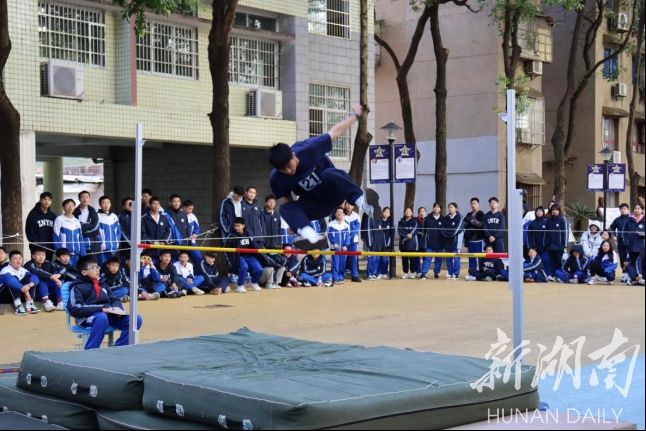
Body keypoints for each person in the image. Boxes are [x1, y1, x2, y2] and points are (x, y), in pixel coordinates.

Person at [268, 104, 369, 246]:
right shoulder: (276, 178)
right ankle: (310, 235)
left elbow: (335, 132)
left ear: (293, 155)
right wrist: (295, 221)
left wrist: (355, 116)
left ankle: (360, 200)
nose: (289, 172)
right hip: (315, 205)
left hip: (333, 192)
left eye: (289, 166)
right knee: (284, 208)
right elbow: (286, 198)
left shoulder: (309, 148)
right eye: (284, 170)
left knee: (328, 173)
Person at [67, 256, 142, 350]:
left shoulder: (103, 285)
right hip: (87, 318)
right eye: (93, 268)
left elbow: (114, 300)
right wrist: (101, 308)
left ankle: (119, 349)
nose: (97, 270)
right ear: (84, 272)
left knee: (136, 319)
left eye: (97, 267)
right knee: (101, 317)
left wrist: (117, 309)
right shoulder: (77, 287)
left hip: (109, 315)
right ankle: (91, 351)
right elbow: (75, 308)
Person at [224, 217, 264, 293]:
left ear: (243, 226)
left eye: (238, 226)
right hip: (239, 257)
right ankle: (240, 286)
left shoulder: (248, 233)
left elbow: (254, 244)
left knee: (259, 269)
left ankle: (254, 282)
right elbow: (227, 249)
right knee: (244, 267)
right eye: (235, 226)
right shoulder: (231, 236)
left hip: (250, 256)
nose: (236, 228)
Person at [0, 250, 41, 315]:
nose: (18, 260)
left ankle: (30, 304)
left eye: (20, 258)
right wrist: (23, 288)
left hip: (20, 293)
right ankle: (18, 306)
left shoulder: (23, 270)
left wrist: (29, 285)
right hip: (4, 295)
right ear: (10, 261)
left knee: (30, 280)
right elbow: (10, 281)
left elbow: (35, 277)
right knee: (14, 279)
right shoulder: (5, 270)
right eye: (15, 259)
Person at [25, 192, 57, 260]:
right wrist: (38, 245)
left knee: (47, 267)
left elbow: (55, 231)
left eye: (49, 200)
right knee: (36, 266)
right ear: (40, 200)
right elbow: (30, 231)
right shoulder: (33, 214)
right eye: (44, 199)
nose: (46, 202)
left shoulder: (52, 215)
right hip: (37, 248)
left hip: (49, 248)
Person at [53, 199, 84, 266]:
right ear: (63, 207)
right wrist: (60, 253)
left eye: (72, 205)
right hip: (65, 256)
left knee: (76, 274)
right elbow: (55, 237)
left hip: (76, 254)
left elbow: (80, 238)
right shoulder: (59, 219)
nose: (70, 207)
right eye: (68, 205)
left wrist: (83, 253)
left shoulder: (77, 221)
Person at [73, 191, 102, 255]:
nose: (85, 199)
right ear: (79, 199)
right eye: (82, 197)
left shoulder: (93, 212)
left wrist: (82, 226)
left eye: (87, 197)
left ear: (89, 198)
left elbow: (95, 228)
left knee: (93, 263)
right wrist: (89, 225)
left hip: (93, 243)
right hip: (80, 242)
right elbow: (74, 228)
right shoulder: (74, 212)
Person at [441, 202, 465, 280]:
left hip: (456, 242)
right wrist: (447, 234)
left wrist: (450, 234)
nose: (450, 209)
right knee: (448, 258)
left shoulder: (459, 217)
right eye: (449, 207)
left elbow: (458, 229)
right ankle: (450, 273)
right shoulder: (446, 218)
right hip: (448, 241)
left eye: (451, 207)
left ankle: (456, 274)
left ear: (456, 208)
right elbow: (442, 228)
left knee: (456, 258)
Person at [327, 207, 351, 284]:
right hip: (335, 248)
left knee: (342, 264)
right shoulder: (331, 224)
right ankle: (335, 278)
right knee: (335, 263)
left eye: (341, 212)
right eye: (338, 212)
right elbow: (330, 235)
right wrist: (334, 243)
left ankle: (341, 277)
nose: (339, 213)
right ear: (335, 214)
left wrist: (346, 245)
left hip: (344, 248)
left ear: (343, 214)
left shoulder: (346, 225)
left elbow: (348, 236)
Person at [421, 203, 444, 279]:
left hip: (440, 243)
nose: (436, 208)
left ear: (440, 209)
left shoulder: (443, 219)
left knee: (438, 258)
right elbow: (424, 231)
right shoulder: (428, 218)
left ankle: (436, 272)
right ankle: (424, 273)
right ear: (433, 208)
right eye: (435, 207)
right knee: (427, 258)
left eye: (438, 207)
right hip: (429, 242)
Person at [545, 204, 568, 279]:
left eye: (556, 210)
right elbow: (546, 233)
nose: (554, 211)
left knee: (559, 261)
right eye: (553, 210)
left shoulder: (562, 219)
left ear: (559, 211)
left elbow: (565, 232)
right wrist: (546, 243)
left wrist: (565, 245)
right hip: (550, 245)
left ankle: (560, 275)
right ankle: (553, 275)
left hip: (559, 245)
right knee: (552, 261)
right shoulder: (548, 220)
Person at [97, 196, 122, 265]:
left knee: (113, 268)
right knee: (103, 267)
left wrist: (117, 242)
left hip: (114, 249)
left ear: (110, 204)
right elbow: (96, 233)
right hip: (102, 250)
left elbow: (119, 231)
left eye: (108, 202)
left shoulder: (114, 216)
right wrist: (101, 244)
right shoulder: (97, 216)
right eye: (103, 203)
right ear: (100, 205)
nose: (106, 205)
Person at [464, 197, 485, 272]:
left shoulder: (481, 213)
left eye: (475, 203)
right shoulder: (468, 214)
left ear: (478, 204)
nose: (473, 205)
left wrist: (472, 221)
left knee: (479, 257)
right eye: (472, 204)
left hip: (478, 240)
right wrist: (471, 221)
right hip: (469, 240)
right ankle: (472, 272)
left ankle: (479, 272)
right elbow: (464, 224)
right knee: (471, 257)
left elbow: (481, 225)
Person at [398, 207, 419, 279]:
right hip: (403, 243)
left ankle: (412, 272)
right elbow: (400, 231)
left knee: (412, 259)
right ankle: (405, 273)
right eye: (406, 211)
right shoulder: (401, 221)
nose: (407, 212)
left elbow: (415, 230)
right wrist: (407, 235)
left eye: (409, 211)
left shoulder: (415, 221)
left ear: (412, 213)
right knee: (404, 259)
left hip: (412, 243)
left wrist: (411, 235)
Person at [609, 203, 631, 270]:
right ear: (620, 210)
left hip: (630, 241)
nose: (623, 210)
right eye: (621, 209)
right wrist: (615, 235)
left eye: (625, 209)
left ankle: (630, 273)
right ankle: (624, 272)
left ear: (628, 210)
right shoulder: (617, 220)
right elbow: (611, 227)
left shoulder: (631, 219)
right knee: (622, 256)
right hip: (620, 241)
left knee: (630, 256)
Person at [344, 203, 362, 282]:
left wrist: (349, 236)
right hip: (344, 241)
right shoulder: (342, 215)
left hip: (353, 241)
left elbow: (356, 229)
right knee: (343, 258)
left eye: (350, 205)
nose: (348, 206)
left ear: (353, 206)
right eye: (347, 204)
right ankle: (341, 275)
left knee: (354, 258)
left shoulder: (356, 216)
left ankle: (354, 275)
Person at [183, 200, 203, 265]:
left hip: (192, 242)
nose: (191, 210)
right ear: (184, 207)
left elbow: (197, 227)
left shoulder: (193, 216)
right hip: (182, 242)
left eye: (192, 209)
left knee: (198, 258)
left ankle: (198, 274)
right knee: (182, 259)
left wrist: (195, 234)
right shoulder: (179, 215)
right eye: (189, 209)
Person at [361, 205, 378, 280]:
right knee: (371, 258)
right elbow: (368, 232)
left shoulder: (371, 217)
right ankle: (370, 274)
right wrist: (370, 243)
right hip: (369, 242)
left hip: (371, 241)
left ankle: (371, 273)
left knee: (373, 258)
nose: (372, 211)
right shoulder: (368, 217)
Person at [118, 197, 133, 262]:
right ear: (123, 206)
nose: (130, 205)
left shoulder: (138, 215)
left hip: (137, 245)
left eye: (131, 204)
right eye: (128, 204)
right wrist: (130, 242)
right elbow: (122, 231)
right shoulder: (121, 216)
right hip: (126, 246)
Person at [413, 207, 426, 279]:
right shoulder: (415, 220)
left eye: (423, 211)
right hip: (417, 242)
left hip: (425, 242)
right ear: (418, 213)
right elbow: (414, 230)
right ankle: (418, 271)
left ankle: (424, 272)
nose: (422, 213)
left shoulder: (427, 220)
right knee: (417, 258)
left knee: (425, 258)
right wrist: (419, 232)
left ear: (425, 212)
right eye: (420, 211)